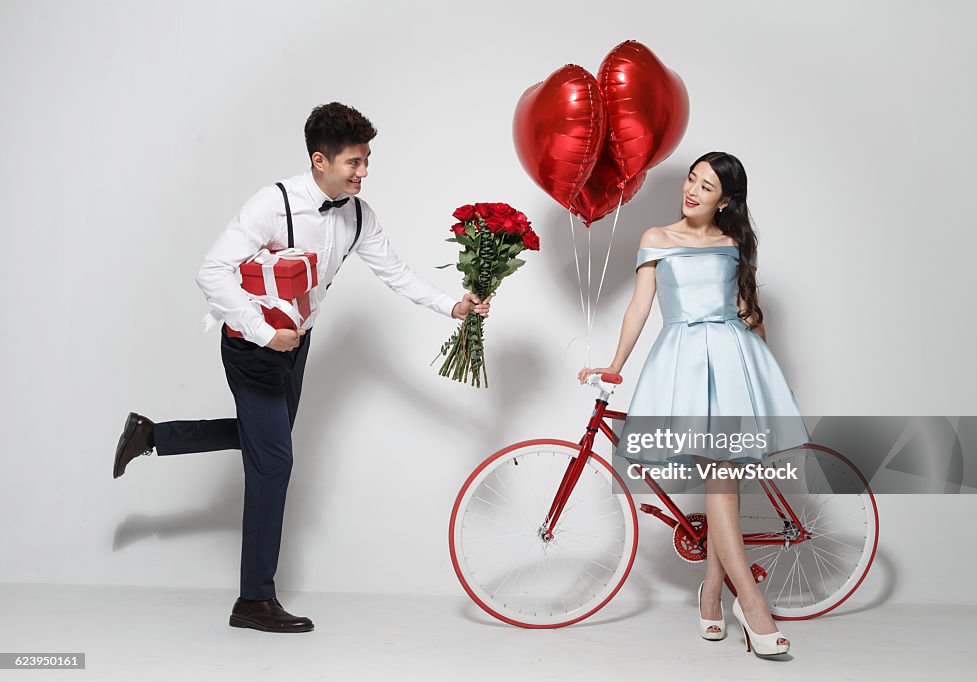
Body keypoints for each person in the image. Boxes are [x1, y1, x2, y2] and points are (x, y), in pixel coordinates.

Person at [112, 102, 490, 633]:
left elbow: (397, 273)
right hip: (252, 348)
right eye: (353, 162)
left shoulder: (358, 214)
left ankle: (153, 436)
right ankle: (254, 600)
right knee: (275, 463)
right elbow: (212, 272)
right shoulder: (273, 204)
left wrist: (453, 305)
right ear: (320, 160)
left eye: (366, 161)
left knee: (266, 442)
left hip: (298, 347)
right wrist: (266, 332)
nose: (363, 171)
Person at [578, 151, 806, 658]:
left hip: (733, 362)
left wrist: (768, 375)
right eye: (691, 179)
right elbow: (640, 307)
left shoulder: (731, 244)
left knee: (726, 478)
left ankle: (713, 593)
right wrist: (614, 364)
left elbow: (747, 310)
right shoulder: (657, 238)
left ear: (725, 200)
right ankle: (751, 602)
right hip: (684, 364)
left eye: (706, 187)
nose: (692, 190)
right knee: (721, 479)